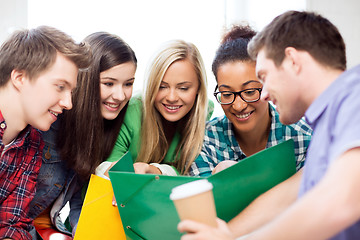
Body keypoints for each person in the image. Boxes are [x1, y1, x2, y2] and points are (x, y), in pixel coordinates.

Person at [178, 10, 360, 240]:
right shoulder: (326, 124)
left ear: (293, 61)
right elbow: (285, 196)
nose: (263, 94)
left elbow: (341, 202)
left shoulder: (355, 95)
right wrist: (227, 234)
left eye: (264, 77)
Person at [28, 32, 137, 239]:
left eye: (128, 84)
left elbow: (81, 202)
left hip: (52, 228)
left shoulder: (105, 132)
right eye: (109, 83)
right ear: (86, 80)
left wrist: (87, 233)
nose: (120, 95)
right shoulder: (49, 121)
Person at [0, 26, 89, 240]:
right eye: (60, 87)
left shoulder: (32, 143)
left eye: (71, 91)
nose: (68, 103)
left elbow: (11, 224)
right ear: (20, 77)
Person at [189, 24, 311, 177]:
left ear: (267, 85)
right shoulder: (204, 140)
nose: (238, 106)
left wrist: (243, 176)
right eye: (226, 94)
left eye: (249, 92)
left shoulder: (302, 137)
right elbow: (204, 199)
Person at [104, 39, 213, 176]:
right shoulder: (129, 112)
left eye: (183, 88)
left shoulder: (204, 111)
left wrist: (156, 171)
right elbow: (110, 174)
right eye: (162, 87)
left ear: (199, 88)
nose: (171, 97)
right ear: (151, 86)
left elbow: (192, 172)